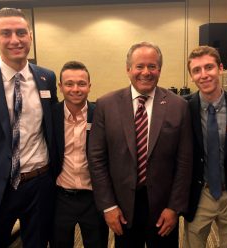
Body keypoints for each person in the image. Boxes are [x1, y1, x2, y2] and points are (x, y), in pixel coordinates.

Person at [88, 41, 193, 248]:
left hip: (163, 210)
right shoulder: (106, 105)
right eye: (139, 66)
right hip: (122, 208)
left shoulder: (178, 106)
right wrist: (108, 206)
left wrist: (174, 207)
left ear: (159, 70)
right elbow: (97, 159)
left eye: (152, 66)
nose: (146, 72)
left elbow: (185, 162)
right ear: (128, 70)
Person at [0, 7, 57, 247]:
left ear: (30, 36)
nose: (15, 40)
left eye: (21, 32)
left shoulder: (47, 77)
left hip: (39, 183)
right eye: (6, 33)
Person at [183, 46, 227, 248]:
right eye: (197, 70)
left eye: (209, 67)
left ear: (221, 68)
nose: (204, 75)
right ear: (191, 76)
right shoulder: (183, 108)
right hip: (200, 194)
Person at [52, 61, 108, 248]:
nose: (75, 89)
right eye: (69, 84)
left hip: (94, 199)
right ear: (60, 87)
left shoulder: (101, 114)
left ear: (89, 86)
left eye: (81, 84)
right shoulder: (50, 116)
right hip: (60, 199)